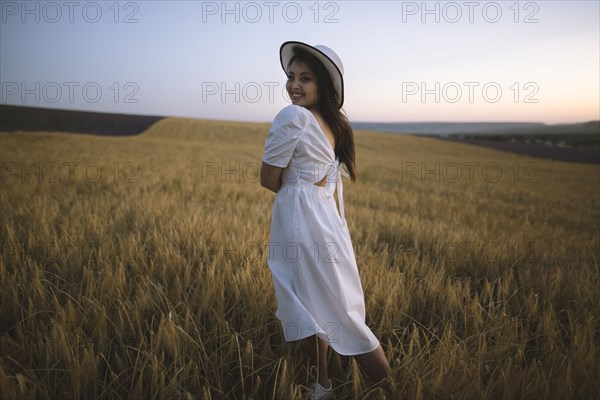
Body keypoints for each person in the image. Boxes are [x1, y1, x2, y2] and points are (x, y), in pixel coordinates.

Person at [260, 41, 391, 399]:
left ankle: (355, 385)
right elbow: (322, 180)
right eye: (291, 76)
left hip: (301, 222)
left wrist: (292, 181)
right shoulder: (336, 124)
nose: (294, 85)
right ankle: (329, 385)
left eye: (306, 78)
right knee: (332, 305)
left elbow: (268, 179)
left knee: (314, 306)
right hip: (327, 221)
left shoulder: (293, 116)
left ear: (325, 86)